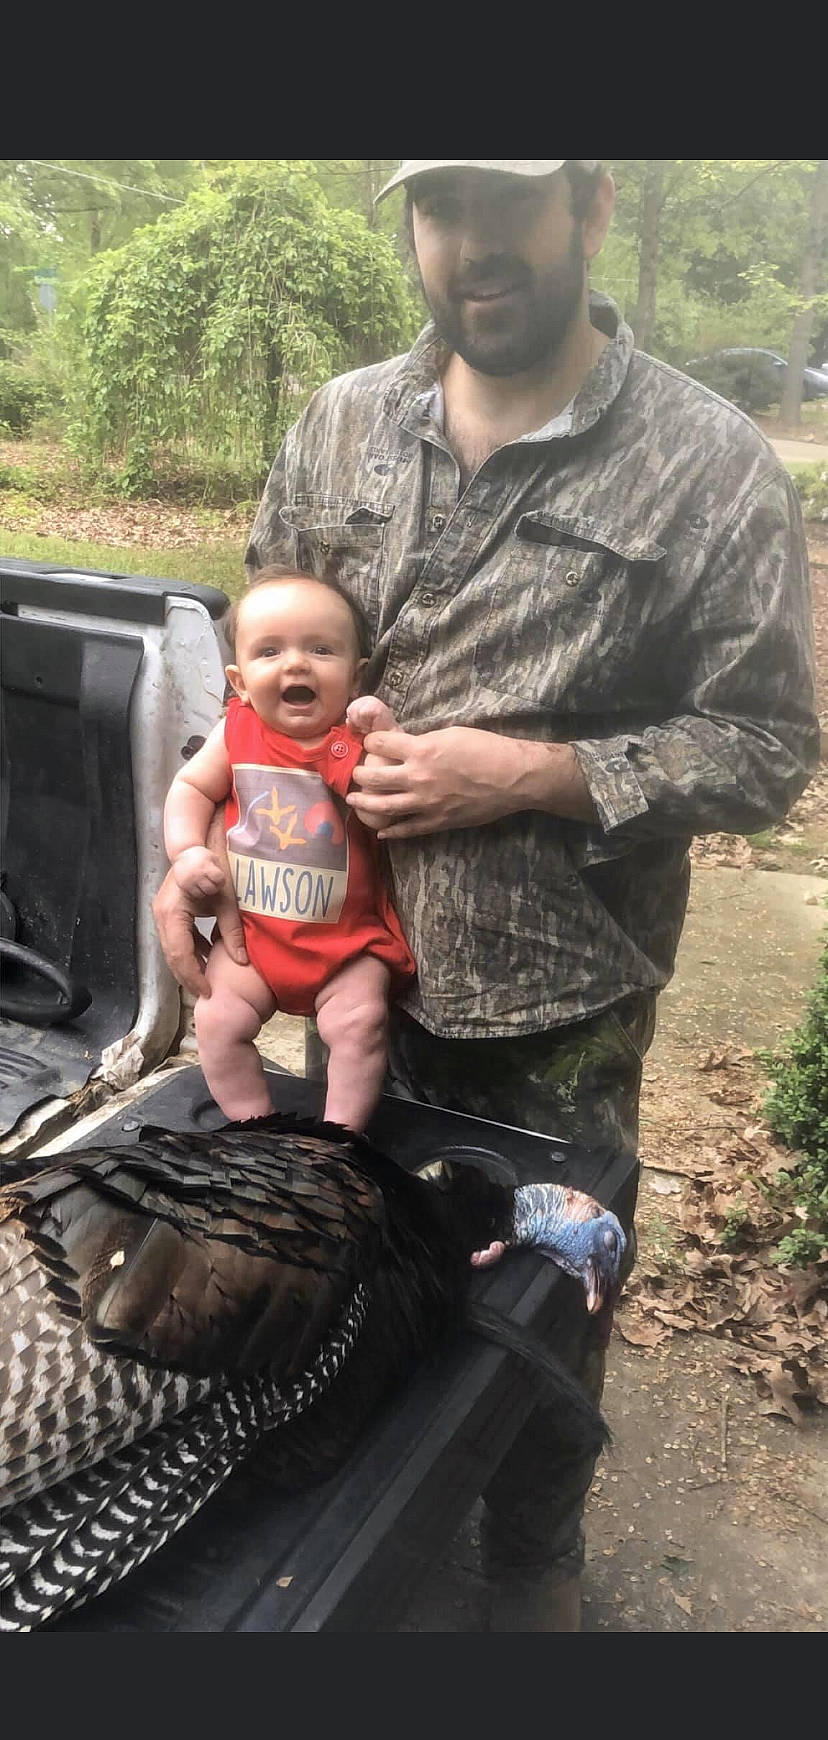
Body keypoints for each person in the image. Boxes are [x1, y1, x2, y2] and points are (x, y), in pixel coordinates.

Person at [154, 159, 820, 1630]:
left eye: (508, 202)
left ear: (588, 207)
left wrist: (522, 775)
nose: (474, 245)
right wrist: (195, 856)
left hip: (551, 1006)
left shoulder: (706, 464)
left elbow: (769, 748)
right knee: (357, 1248)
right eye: (440, 207)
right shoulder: (340, 423)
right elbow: (265, 660)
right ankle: (371, 1529)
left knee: (545, 1310)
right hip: (331, 974)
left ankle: (529, 1561)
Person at [163, 564, 415, 1132]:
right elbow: (191, 788)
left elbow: (395, 780)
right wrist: (186, 854)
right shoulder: (236, 732)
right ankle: (258, 1132)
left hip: (347, 945)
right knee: (217, 1018)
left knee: (359, 1023)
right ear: (239, 681)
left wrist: (383, 727)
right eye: (270, 651)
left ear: (356, 676)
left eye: (321, 650)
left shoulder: (352, 740)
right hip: (254, 938)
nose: (296, 663)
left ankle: (336, 1140)